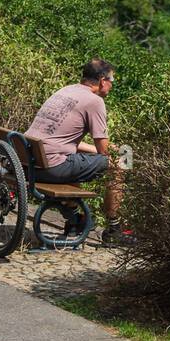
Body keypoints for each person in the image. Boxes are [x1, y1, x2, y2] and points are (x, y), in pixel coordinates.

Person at [26, 58, 127, 246]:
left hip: (28, 162)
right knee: (119, 163)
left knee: (76, 162)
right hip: (52, 167)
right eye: (112, 81)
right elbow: (104, 153)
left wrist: (101, 149)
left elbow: (60, 141)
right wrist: (119, 152)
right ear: (103, 80)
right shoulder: (94, 101)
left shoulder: (65, 91)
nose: (112, 86)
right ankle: (114, 229)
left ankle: (74, 221)